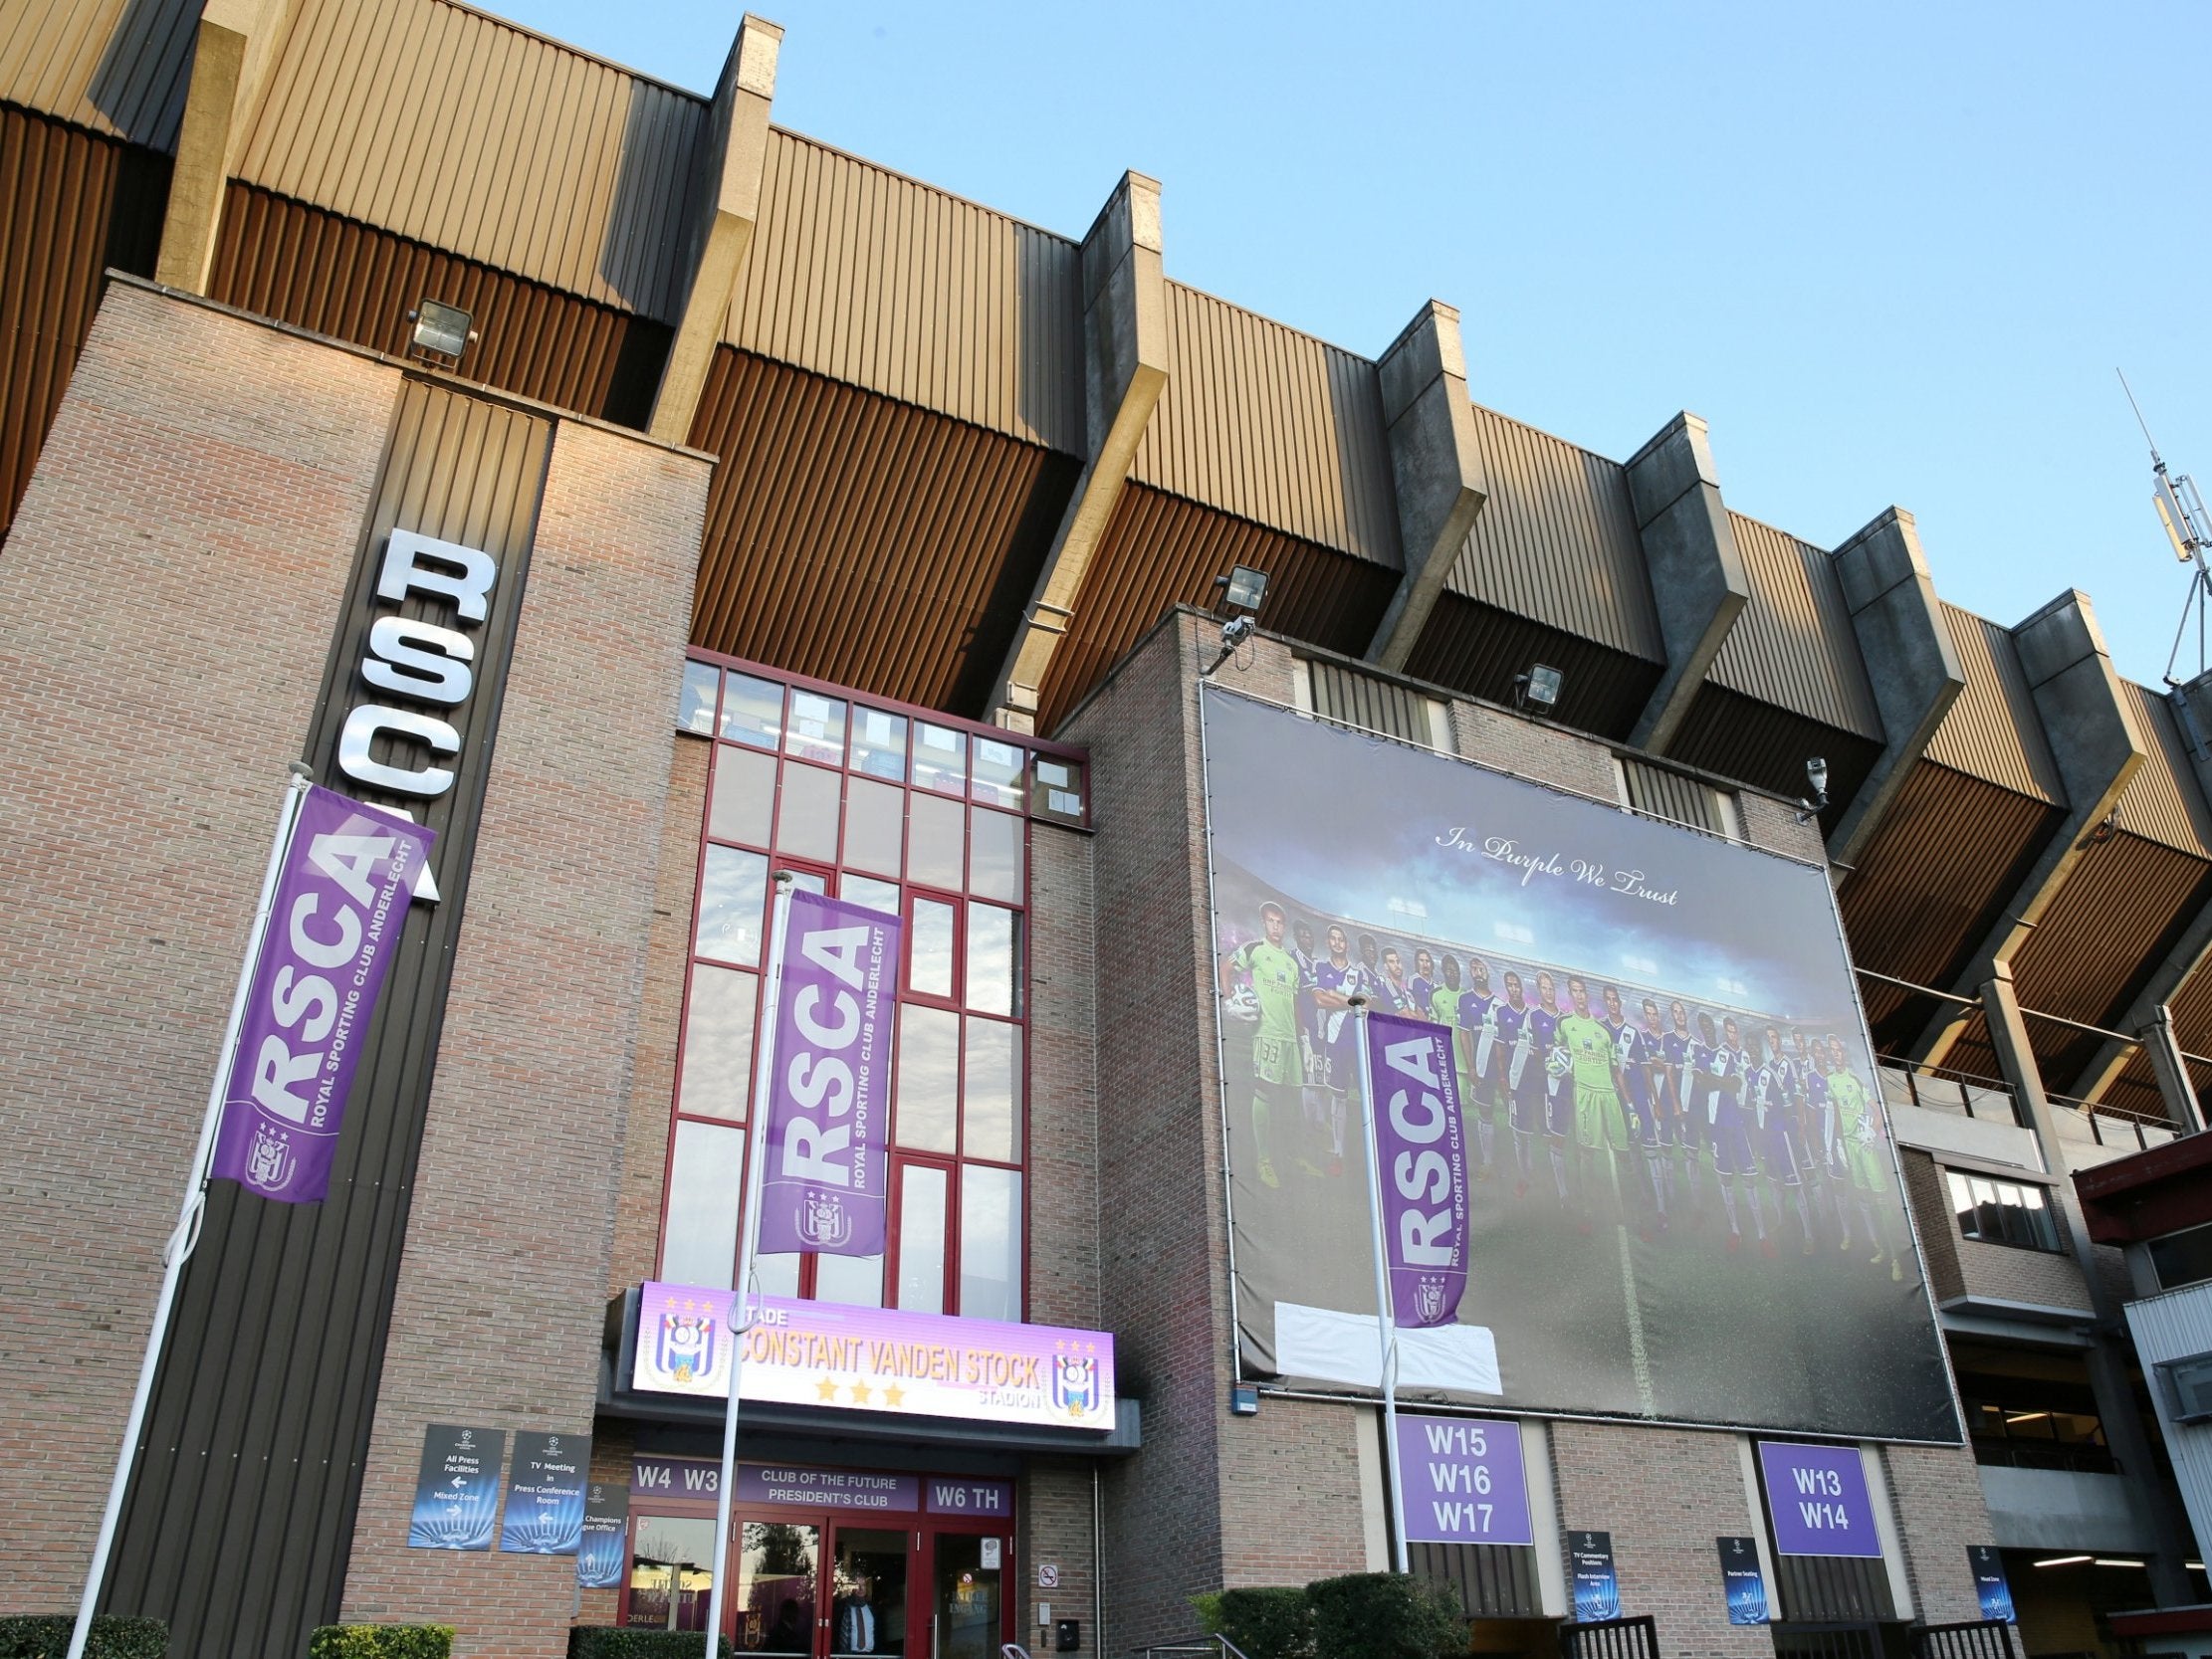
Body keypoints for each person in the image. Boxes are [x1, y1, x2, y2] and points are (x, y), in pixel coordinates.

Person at [1218, 902, 1302, 1188]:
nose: (1276, 927)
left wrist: (1301, 1035)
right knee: (1264, 1091)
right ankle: (1263, 1159)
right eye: (1271, 921)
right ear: (1264, 923)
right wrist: (1229, 1001)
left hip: (1291, 1037)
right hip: (1266, 1033)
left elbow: (1294, 1001)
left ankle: (1292, 1155)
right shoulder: (1255, 949)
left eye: (1280, 922)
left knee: (1292, 1096)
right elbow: (1226, 967)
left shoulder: (1291, 963)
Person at [1828, 1034, 1904, 1281]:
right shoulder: (1830, 1081)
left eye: (1838, 1050)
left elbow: (1877, 1110)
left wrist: (1872, 1130)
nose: (1835, 1054)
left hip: (1865, 1145)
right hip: (1849, 1145)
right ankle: (1881, 1248)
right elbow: (1835, 1114)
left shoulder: (1856, 1078)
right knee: (1863, 1197)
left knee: (1881, 1198)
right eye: (1832, 1051)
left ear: (1844, 1054)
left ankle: (1897, 1258)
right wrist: (1837, 1140)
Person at [1558, 977, 1626, 1233]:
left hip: (1608, 1093)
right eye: (1574, 991)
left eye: (1582, 991)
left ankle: (1623, 1208)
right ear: (1570, 995)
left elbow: (1615, 1068)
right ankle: (1589, 1209)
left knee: (1621, 1151)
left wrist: (1627, 1103)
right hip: (1584, 1093)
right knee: (1587, 1154)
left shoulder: (1603, 1031)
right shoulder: (1565, 1025)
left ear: (1587, 995)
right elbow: (1557, 1052)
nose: (1579, 996)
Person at [1699, 1014, 1767, 1254]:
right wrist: (1725, 1082)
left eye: (1734, 1031)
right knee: (1726, 1178)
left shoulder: (1749, 1056)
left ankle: (1762, 1234)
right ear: (1724, 1033)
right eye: (1728, 1032)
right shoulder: (1721, 1054)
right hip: (1723, 1124)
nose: (1732, 1035)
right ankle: (1735, 1231)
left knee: (1750, 1178)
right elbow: (1713, 1083)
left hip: (1744, 1125)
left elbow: (1743, 1086)